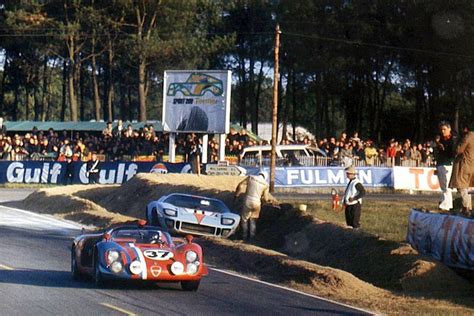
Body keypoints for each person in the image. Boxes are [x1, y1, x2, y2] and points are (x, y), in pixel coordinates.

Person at [234, 172, 278, 240]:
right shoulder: (266, 184)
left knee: (244, 219)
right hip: (257, 202)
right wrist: (269, 202)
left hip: (248, 200)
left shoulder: (251, 177)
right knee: (253, 220)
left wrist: (236, 195)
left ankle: (244, 236)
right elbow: (265, 198)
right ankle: (252, 237)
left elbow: (240, 185)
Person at [449, 128, 474, 216]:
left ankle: (466, 208)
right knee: (468, 188)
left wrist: (456, 143)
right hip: (472, 165)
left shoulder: (469, 136)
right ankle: (469, 208)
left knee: (462, 186)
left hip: (464, 164)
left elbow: (459, 150)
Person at [434, 121, 457, 211]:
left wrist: (442, 147)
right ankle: (446, 203)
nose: (443, 131)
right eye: (441, 129)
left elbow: (452, 152)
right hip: (441, 163)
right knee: (443, 185)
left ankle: (446, 204)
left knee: (446, 185)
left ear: (449, 129)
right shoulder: (441, 139)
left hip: (447, 163)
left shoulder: (453, 139)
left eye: (444, 129)